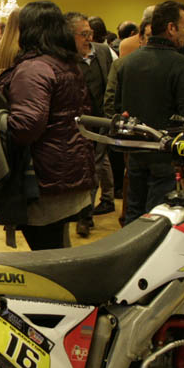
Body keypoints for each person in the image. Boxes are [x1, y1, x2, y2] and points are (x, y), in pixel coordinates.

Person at [0, 1, 94, 250]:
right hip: (66, 168)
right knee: (57, 248)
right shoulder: (65, 63)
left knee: (49, 254)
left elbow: (26, 127)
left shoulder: (34, 68)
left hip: (43, 177)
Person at [110, 0, 184, 223]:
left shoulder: (128, 63)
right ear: (171, 28)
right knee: (157, 216)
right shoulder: (180, 64)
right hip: (165, 154)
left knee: (134, 211)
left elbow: (117, 107)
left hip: (134, 152)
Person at [67, 12, 115, 238]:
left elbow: (113, 82)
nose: (89, 39)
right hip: (78, 124)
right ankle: (82, 213)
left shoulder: (103, 52)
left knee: (95, 167)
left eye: (90, 33)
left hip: (101, 121)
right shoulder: (67, 59)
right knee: (85, 169)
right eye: (83, 34)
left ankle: (85, 217)